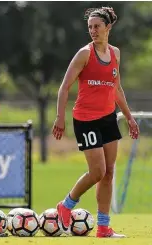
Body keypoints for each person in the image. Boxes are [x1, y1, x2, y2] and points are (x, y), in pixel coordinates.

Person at [52, 7, 139, 238]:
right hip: (85, 119)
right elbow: (64, 87)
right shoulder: (84, 54)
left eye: (97, 26)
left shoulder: (116, 54)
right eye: (90, 27)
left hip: (108, 118)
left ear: (108, 27)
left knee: (109, 173)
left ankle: (103, 227)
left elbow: (117, 88)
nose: (92, 31)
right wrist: (60, 117)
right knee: (98, 171)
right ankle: (67, 205)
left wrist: (129, 117)